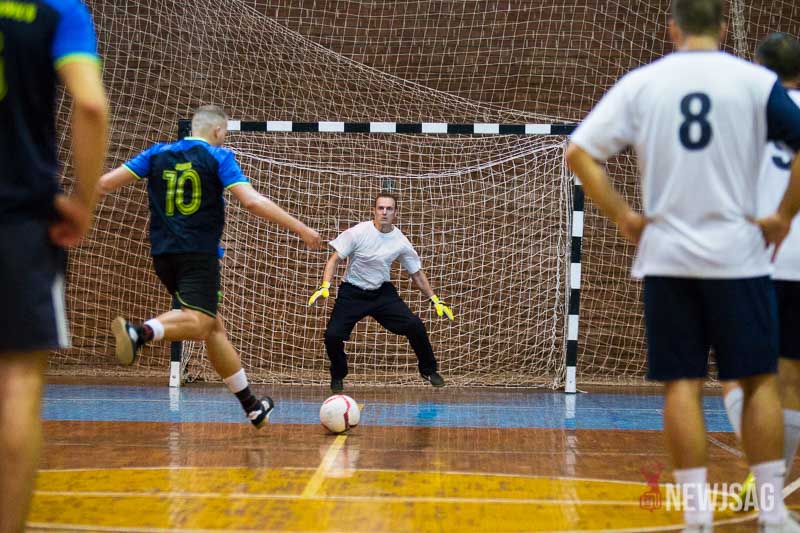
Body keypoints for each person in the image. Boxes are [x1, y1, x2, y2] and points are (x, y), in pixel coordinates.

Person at [564, 1, 800, 531]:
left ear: (672, 28)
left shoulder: (644, 83)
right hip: (739, 256)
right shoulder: (754, 82)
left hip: (668, 257)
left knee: (682, 385)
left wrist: (625, 216)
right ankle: (772, 512)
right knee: (759, 381)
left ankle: (696, 516)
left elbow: (578, 153)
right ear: (723, 27)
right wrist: (784, 215)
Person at [96, 105, 322, 428]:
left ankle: (252, 407)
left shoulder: (156, 153)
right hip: (198, 254)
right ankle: (140, 333)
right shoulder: (219, 157)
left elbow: (105, 183)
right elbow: (252, 201)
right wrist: (301, 228)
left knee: (213, 327)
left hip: (163, 255)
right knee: (201, 323)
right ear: (218, 131)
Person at [0, 1, 109, 531]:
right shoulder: (58, 7)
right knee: (17, 381)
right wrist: (82, 201)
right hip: (18, 221)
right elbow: (90, 105)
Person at [720, 31, 800, 504]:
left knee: (738, 374)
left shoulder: (744, 114)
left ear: (758, 69)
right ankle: (770, 486)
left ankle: (761, 470)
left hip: (752, 259)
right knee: (791, 381)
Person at [307, 192, 453, 392]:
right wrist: (325, 286)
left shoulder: (400, 241)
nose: (384, 212)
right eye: (380, 208)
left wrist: (435, 299)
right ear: (374, 211)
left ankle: (429, 370)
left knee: (415, 326)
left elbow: (416, 273)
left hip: (382, 293)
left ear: (395, 213)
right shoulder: (358, 233)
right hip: (352, 292)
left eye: (389, 209)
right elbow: (334, 260)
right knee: (332, 336)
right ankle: (338, 374)